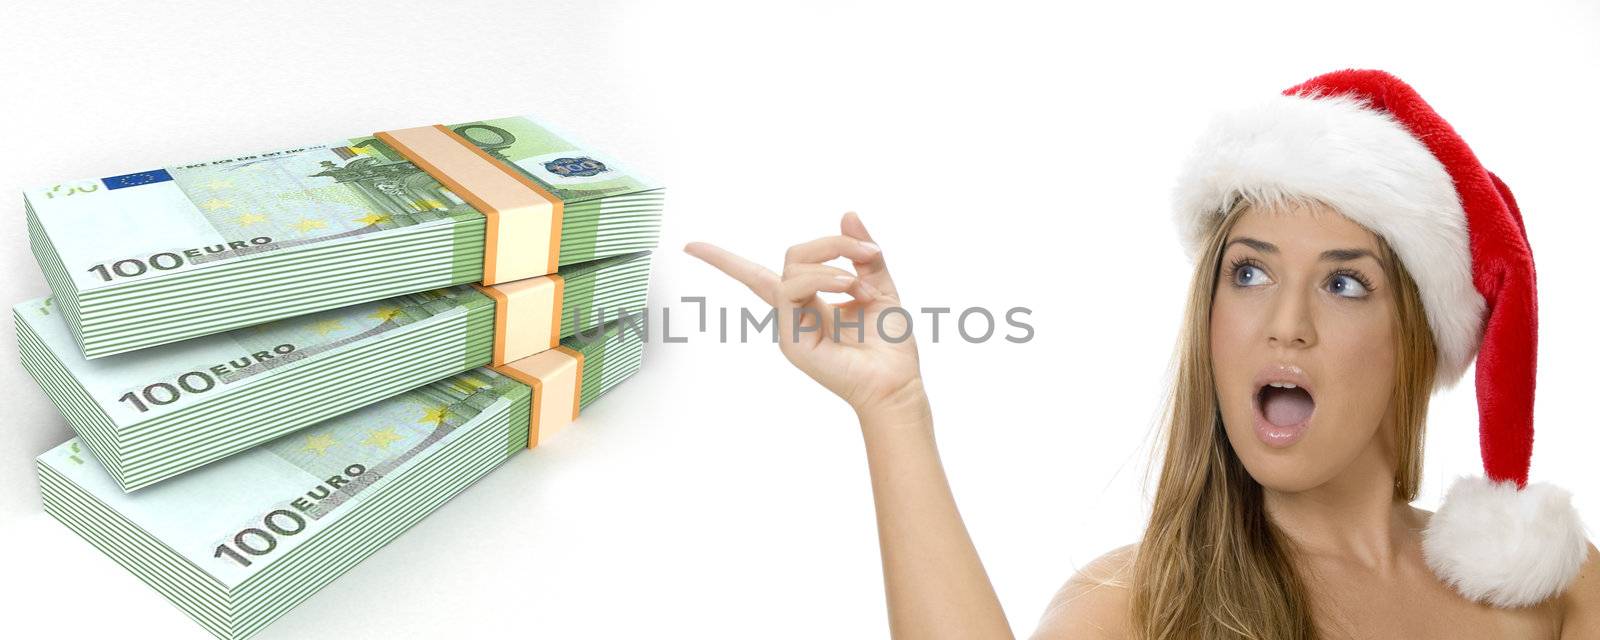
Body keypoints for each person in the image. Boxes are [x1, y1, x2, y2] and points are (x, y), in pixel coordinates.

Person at [684, 69, 1600, 639]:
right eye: (1248, 274)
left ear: (1416, 342)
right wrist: (892, 412)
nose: (1286, 322)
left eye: (1344, 283)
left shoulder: (1549, 594)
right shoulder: (1133, 609)